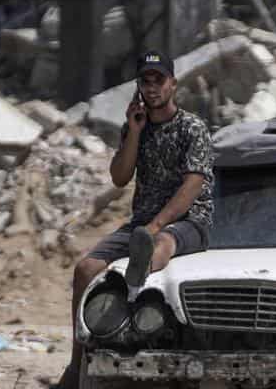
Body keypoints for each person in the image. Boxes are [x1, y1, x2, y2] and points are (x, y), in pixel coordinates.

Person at [55, 50, 214, 388]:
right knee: (85, 269)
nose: (153, 87)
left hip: (188, 222)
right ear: (139, 86)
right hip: (140, 223)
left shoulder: (192, 127)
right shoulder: (136, 127)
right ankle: (75, 365)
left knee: (162, 244)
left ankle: (136, 273)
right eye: (146, 80)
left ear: (173, 84)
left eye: (160, 80)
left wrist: (156, 225)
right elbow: (119, 177)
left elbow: (192, 186)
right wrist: (135, 131)